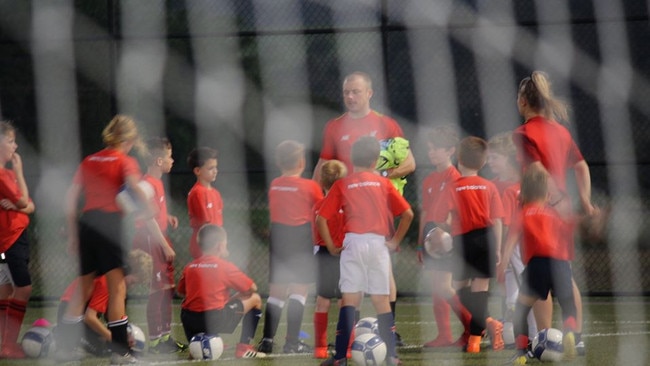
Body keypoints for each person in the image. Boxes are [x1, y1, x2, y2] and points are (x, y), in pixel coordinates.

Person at [313, 71, 415, 345]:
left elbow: (409, 164)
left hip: (375, 206)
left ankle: (389, 332)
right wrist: (315, 199)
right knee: (350, 276)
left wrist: (379, 179)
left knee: (384, 273)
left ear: (369, 93)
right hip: (344, 209)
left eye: (355, 92)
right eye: (346, 92)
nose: (350, 97)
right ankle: (348, 338)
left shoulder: (387, 124)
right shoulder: (334, 127)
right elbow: (322, 168)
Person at [57, 114, 163, 364]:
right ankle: (120, 353)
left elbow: (70, 200)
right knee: (118, 288)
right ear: (129, 138)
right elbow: (135, 190)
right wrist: (149, 208)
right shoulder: (124, 161)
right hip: (109, 226)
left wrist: (73, 234)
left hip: (87, 224)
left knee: (83, 289)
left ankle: (64, 348)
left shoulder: (88, 160)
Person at [513, 71, 597, 355]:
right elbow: (582, 166)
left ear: (523, 101)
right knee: (564, 275)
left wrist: (546, 197)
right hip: (562, 211)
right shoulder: (560, 131)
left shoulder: (523, 133)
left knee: (537, 280)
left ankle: (546, 339)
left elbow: (537, 171)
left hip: (539, 207)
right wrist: (584, 200)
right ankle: (577, 337)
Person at [317, 136, 414, 366]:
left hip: (353, 243)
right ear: (376, 160)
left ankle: (340, 358)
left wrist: (331, 245)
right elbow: (408, 214)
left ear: (351, 159)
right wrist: (394, 242)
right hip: (378, 244)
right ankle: (392, 357)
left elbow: (322, 218)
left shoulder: (343, 184)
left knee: (350, 299)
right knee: (381, 301)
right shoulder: (384, 183)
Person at [430, 136, 505, 353]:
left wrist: (443, 230)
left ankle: (482, 331)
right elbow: (498, 219)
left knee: (460, 289)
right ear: (483, 162)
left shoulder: (453, 187)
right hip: (487, 238)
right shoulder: (489, 186)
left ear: (458, 160)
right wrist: (498, 248)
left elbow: (439, 219)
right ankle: (476, 340)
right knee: (480, 290)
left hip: (462, 241)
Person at [500, 168, 579, 365]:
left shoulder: (522, 214)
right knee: (567, 302)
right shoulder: (554, 215)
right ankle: (570, 333)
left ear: (523, 194)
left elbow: (510, 243)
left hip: (537, 265)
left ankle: (520, 353)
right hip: (560, 264)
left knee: (521, 310)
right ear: (548, 195)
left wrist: (501, 267)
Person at [257, 140, 323, 354]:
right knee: (299, 291)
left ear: (278, 162)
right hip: (300, 236)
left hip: (279, 237)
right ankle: (292, 343)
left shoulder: (275, 184)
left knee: (276, 291)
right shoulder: (310, 186)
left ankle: (267, 340)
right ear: (302, 162)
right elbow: (321, 209)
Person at [487, 132, 546, 348]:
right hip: (506, 248)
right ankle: (520, 338)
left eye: (495, 158)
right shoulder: (492, 185)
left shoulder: (524, 184)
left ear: (509, 157)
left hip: (523, 247)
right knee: (512, 296)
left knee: (527, 292)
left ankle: (532, 338)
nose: (490, 162)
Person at [417, 124, 472, 349]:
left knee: (445, 287)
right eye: (429, 149)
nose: (431, 152)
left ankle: (477, 326)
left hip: (447, 240)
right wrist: (422, 244)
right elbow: (425, 213)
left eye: (436, 148)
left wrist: (445, 233)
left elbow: (458, 211)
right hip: (431, 240)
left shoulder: (456, 177)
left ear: (450, 151)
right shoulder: (428, 180)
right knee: (436, 286)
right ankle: (444, 335)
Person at [178, 224, 266, 359]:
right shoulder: (225, 266)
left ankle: (195, 346)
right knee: (255, 298)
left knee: (190, 305)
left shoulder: (190, 266)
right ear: (219, 246)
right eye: (226, 243)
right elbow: (252, 287)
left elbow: (182, 292)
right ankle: (244, 348)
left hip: (190, 321)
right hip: (215, 319)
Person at [132, 137, 187, 353]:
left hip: (159, 236)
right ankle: (155, 341)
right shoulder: (146, 184)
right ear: (158, 161)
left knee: (166, 289)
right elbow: (147, 219)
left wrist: (168, 216)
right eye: (169, 156)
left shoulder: (156, 182)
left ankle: (165, 338)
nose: (172, 160)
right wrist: (164, 244)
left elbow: (155, 213)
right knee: (157, 290)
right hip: (151, 239)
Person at [57, 249, 153, 357]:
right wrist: (118, 341)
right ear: (127, 271)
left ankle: (61, 336)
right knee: (105, 350)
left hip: (78, 316)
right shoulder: (108, 281)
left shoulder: (113, 279)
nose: (132, 286)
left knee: (108, 344)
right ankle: (59, 336)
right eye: (133, 282)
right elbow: (90, 318)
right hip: (70, 317)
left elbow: (111, 319)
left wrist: (123, 335)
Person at [0, 121, 34, 358]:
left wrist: (23, 205)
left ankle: (3, 344)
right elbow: (25, 203)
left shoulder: (8, 173)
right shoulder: (4, 175)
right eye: (10, 141)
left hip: (13, 238)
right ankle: (8, 345)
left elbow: (28, 204)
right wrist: (20, 172)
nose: (15, 145)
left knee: (6, 290)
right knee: (24, 289)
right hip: (9, 240)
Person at [312, 159, 348, 359]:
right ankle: (348, 347)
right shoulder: (348, 205)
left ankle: (320, 347)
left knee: (322, 301)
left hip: (325, 255)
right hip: (344, 254)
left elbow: (315, 234)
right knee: (346, 300)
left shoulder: (318, 206)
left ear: (321, 182)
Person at [187, 147, 223, 259]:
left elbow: (219, 223)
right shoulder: (198, 193)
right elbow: (206, 226)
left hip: (216, 245)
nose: (215, 171)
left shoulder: (216, 193)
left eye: (216, 167)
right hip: (204, 246)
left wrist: (222, 244)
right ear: (198, 171)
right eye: (210, 168)